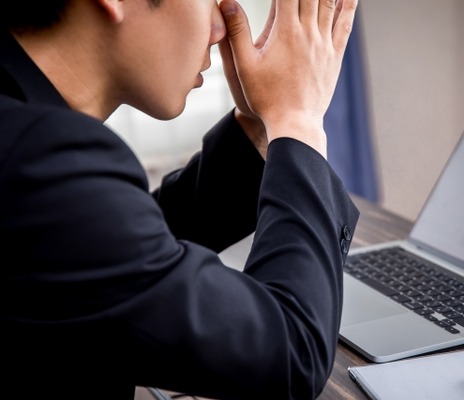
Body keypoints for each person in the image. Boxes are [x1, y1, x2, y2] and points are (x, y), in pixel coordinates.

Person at [0, 0, 360, 399]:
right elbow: (292, 353)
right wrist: (298, 120)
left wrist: (261, 123)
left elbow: (106, 254)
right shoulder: (37, 161)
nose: (220, 28)